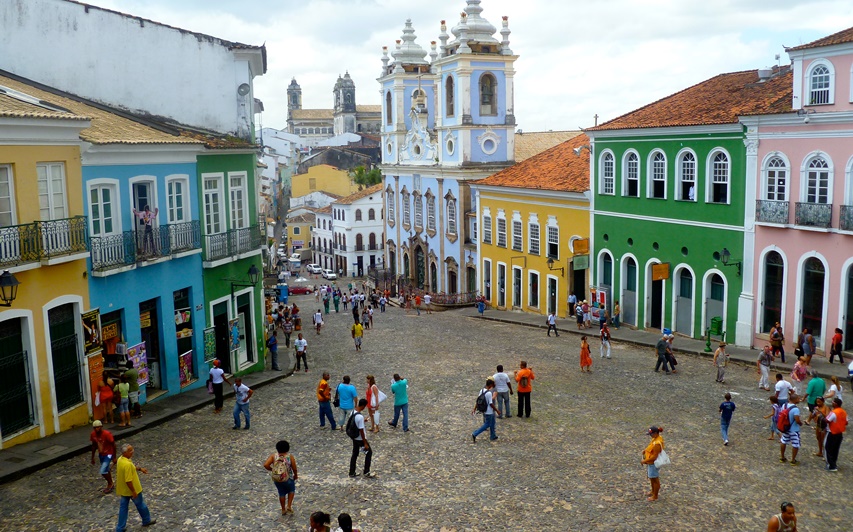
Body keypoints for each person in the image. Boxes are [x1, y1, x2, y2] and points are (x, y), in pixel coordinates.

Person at [115, 443, 156, 530]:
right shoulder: (127, 464)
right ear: (125, 453)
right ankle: (146, 520)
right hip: (133, 489)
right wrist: (133, 491)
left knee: (123, 508)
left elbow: (132, 467)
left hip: (124, 490)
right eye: (130, 451)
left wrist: (140, 469)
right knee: (141, 505)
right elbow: (128, 480)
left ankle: (120, 527)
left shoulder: (120, 460)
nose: (132, 452)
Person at [263, 440, 297, 515]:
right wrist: (296, 475)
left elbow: (266, 465)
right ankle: (289, 505)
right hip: (288, 477)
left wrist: (273, 470)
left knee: (281, 493)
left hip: (277, 478)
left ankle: (283, 509)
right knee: (291, 490)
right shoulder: (289, 456)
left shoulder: (273, 456)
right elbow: (294, 468)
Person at [348, 399, 376, 478]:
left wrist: (363, 421)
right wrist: (365, 443)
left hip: (354, 437)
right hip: (360, 438)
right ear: (363, 406)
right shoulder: (360, 417)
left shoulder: (353, 412)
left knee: (355, 454)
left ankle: (352, 471)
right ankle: (366, 471)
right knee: (369, 453)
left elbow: (354, 422)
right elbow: (361, 431)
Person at [90, 420, 116, 494]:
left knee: (103, 470)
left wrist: (114, 457)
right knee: (106, 469)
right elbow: (94, 446)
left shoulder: (107, 434)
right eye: (95, 428)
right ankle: (111, 483)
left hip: (109, 453)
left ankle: (110, 483)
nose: (96, 429)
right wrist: (92, 457)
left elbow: (113, 445)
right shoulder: (93, 435)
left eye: (98, 427)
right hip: (101, 454)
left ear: (101, 427)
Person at [471, 378, 500, 442]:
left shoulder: (481, 390)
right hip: (489, 411)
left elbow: (478, 400)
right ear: (490, 385)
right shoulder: (489, 393)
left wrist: (474, 409)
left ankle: (493, 435)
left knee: (492, 423)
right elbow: (491, 403)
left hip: (484, 410)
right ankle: (475, 433)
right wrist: (497, 410)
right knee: (487, 424)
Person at [640, 427, 665, 502]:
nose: (650, 436)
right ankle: (653, 491)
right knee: (651, 478)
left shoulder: (657, 444)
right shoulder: (656, 439)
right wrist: (645, 450)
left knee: (655, 480)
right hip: (650, 462)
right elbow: (651, 447)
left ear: (655, 433)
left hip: (653, 463)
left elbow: (654, 456)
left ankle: (655, 495)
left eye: (651, 434)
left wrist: (644, 461)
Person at [823, 397, 847, 472]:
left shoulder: (834, 412)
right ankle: (834, 463)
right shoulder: (844, 412)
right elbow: (846, 422)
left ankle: (831, 465)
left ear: (835, 404)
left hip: (832, 432)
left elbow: (827, 420)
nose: (832, 403)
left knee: (827, 448)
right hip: (839, 433)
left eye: (833, 402)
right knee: (835, 449)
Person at [779, 393, 803, 465]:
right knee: (795, 444)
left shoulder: (784, 405)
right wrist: (800, 423)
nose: (799, 400)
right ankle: (793, 460)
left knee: (784, 441)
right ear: (795, 400)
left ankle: (782, 457)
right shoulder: (796, 409)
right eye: (798, 399)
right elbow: (797, 419)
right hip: (794, 429)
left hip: (785, 428)